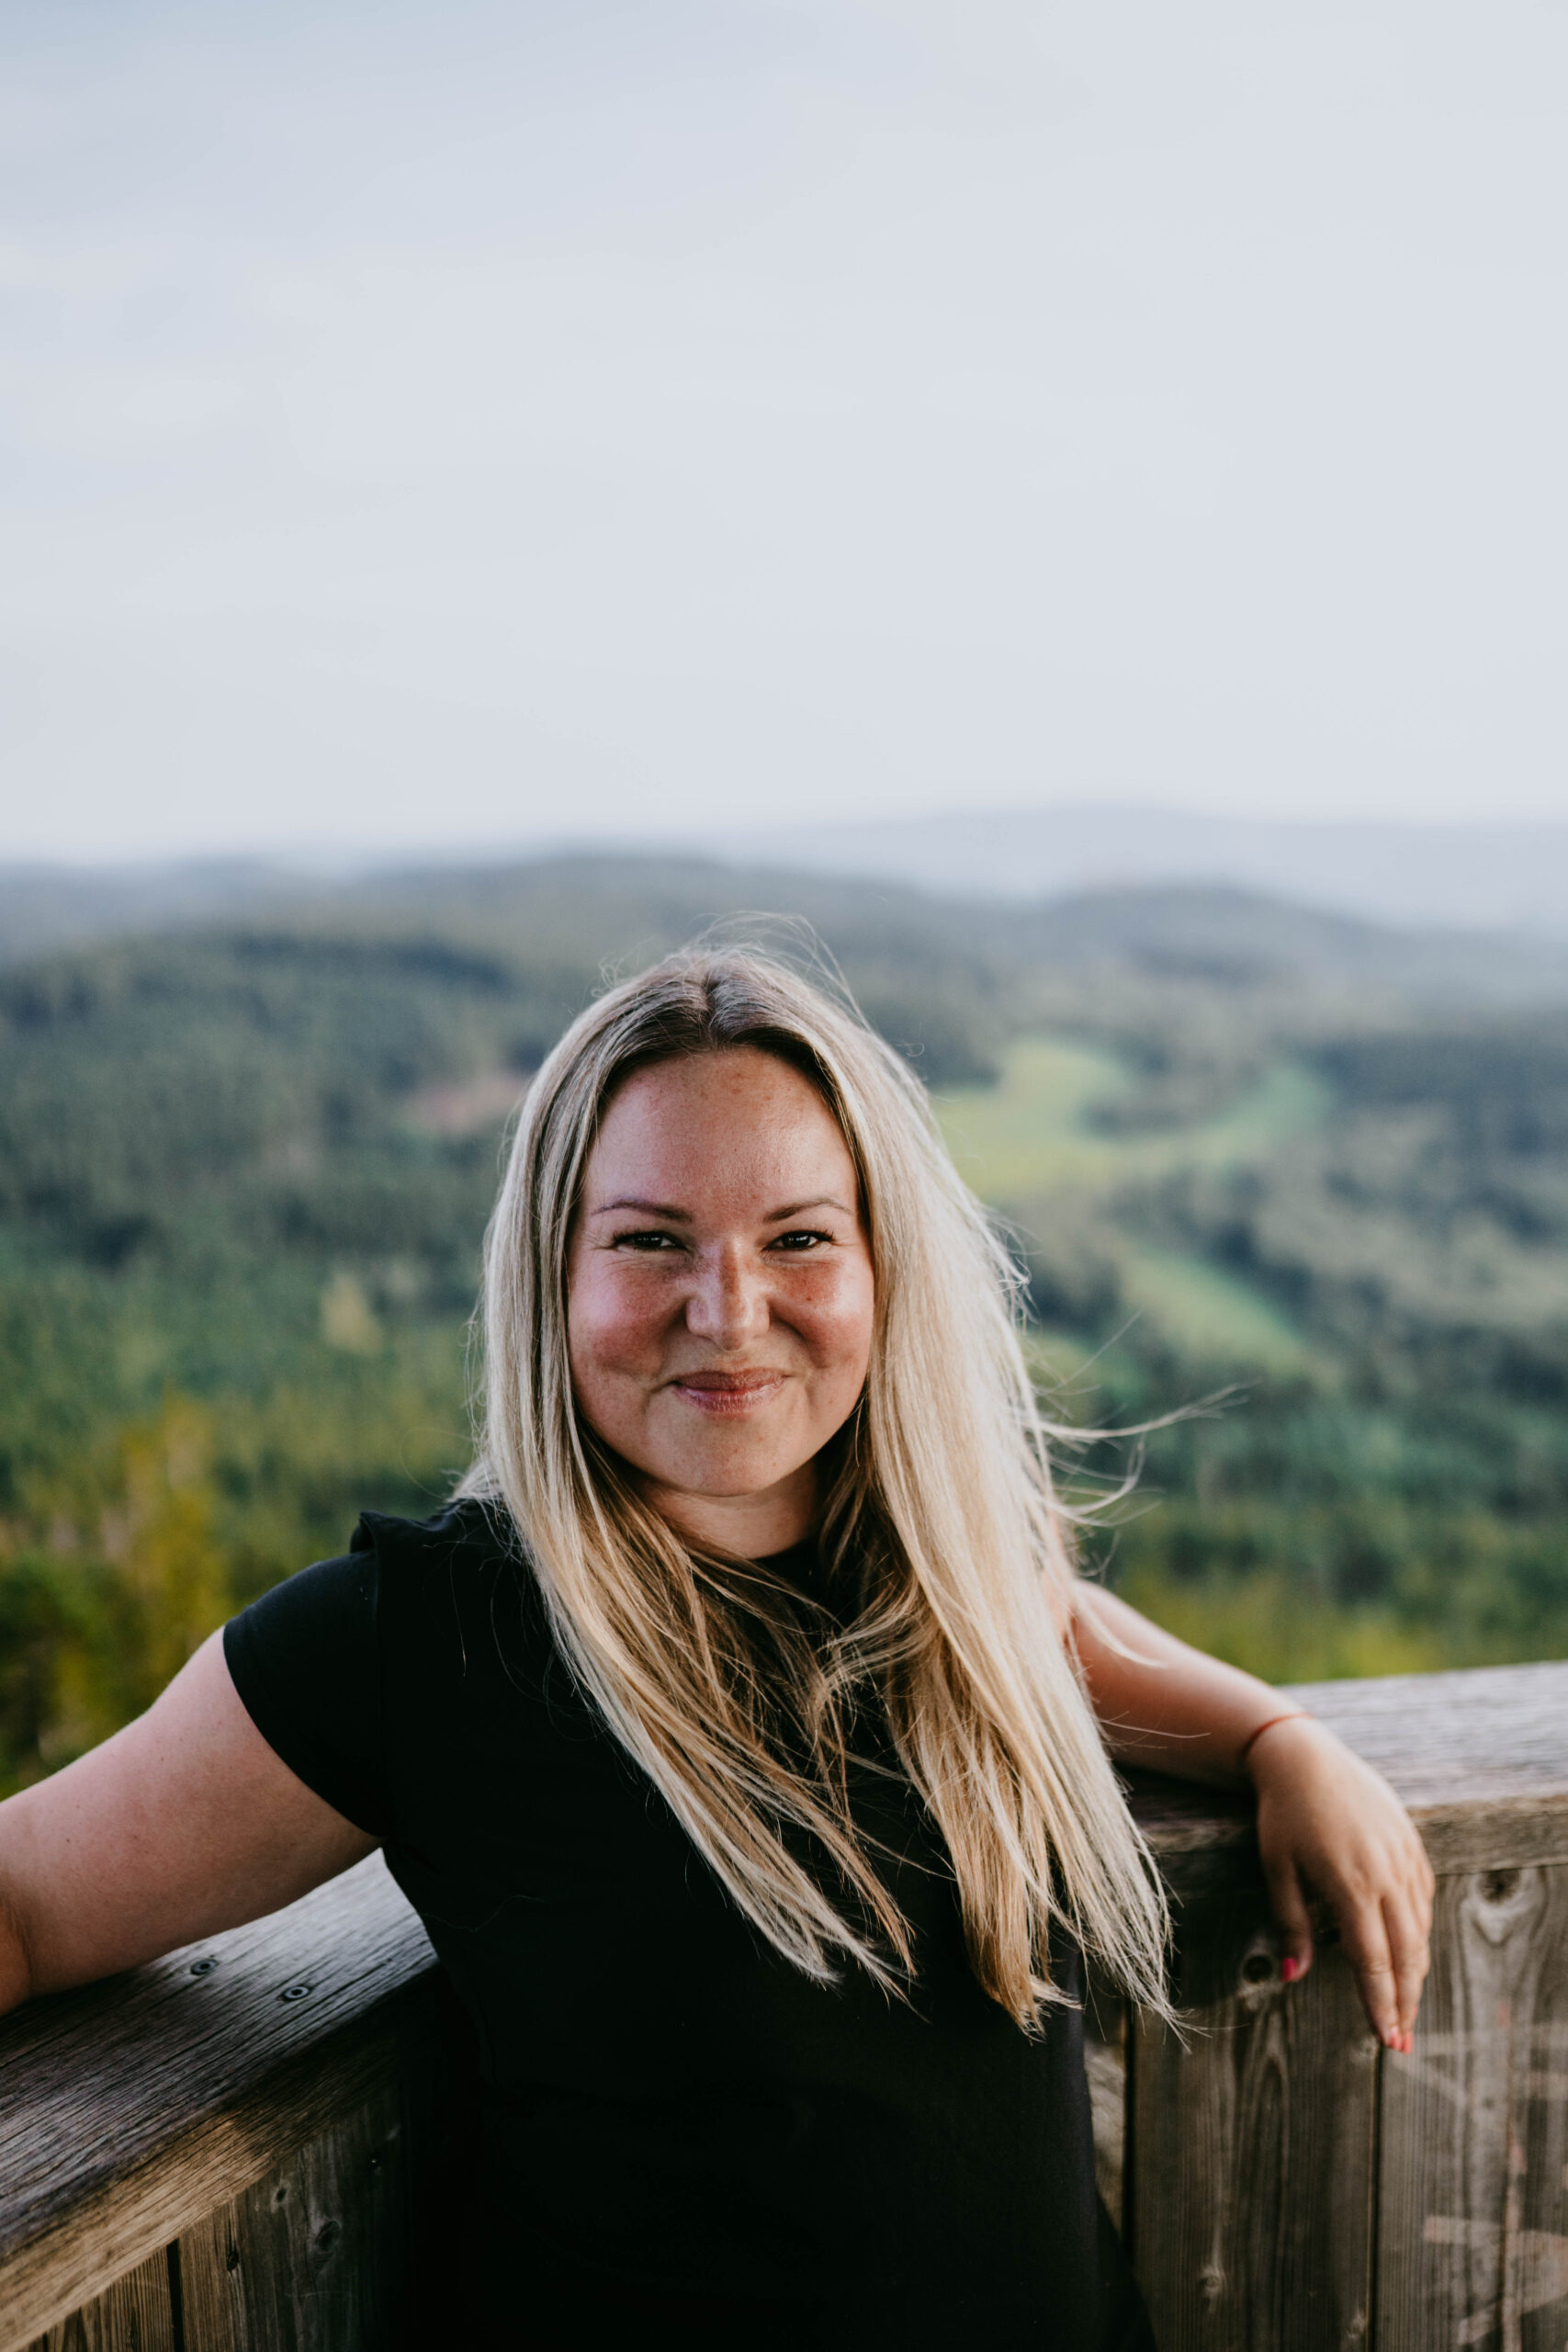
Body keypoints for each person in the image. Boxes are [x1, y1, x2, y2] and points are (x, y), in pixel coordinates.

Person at [0, 947, 1432, 2349]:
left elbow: (1065, 1631)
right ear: (552, 1272)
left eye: (798, 1238)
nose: (729, 1312)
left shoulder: (945, 1567)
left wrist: (1277, 1740)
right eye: (650, 1240)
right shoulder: (418, 1639)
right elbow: (28, 1900)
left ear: (881, 1264)